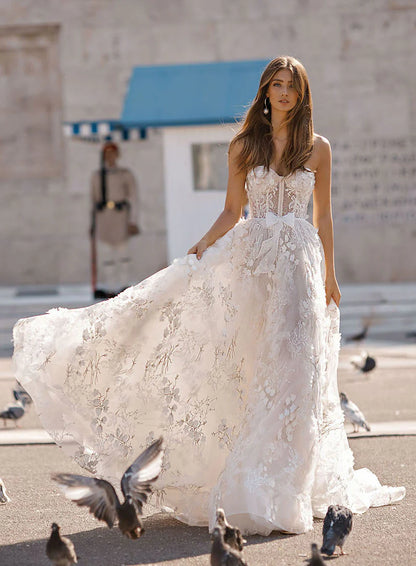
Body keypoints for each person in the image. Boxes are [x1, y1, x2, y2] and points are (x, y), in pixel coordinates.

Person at [13, 56, 404, 536]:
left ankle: (293, 485)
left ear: (302, 94)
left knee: (299, 369)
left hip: (301, 265)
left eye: (292, 86)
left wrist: (332, 276)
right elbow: (231, 210)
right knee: (254, 369)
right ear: (264, 91)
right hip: (254, 265)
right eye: (276, 85)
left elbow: (323, 219)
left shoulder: (318, 148)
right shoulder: (243, 145)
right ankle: (256, 481)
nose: (283, 93)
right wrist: (200, 248)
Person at [90, 141, 140, 299]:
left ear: (117, 155)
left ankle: (124, 285)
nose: (110, 157)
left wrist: (133, 220)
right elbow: (93, 200)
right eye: (106, 154)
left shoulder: (124, 174)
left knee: (123, 254)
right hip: (104, 217)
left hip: (121, 216)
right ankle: (110, 288)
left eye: (112, 153)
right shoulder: (97, 176)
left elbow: (134, 198)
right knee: (107, 257)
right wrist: (92, 224)